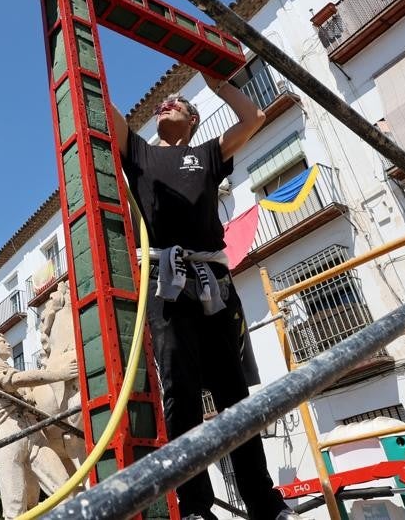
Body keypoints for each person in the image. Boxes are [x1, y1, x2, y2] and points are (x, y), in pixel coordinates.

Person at [111, 73, 296, 520]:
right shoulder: (140, 153)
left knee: (234, 393)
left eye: (177, 102)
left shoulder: (207, 154)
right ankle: (195, 507)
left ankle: (263, 503)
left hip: (213, 281)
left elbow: (254, 116)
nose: (166, 104)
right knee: (180, 393)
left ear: (193, 120)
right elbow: (98, 101)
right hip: (167, 283)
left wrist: (217, 83)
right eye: (162, 104)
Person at [0, 333, 78, 519]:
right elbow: (15, 380)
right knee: (15, 509)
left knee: (64, 488)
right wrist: (58, 374)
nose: (8, 344)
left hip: (34, 432)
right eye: (3, 342)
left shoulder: (12, 371)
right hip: (10, 433)